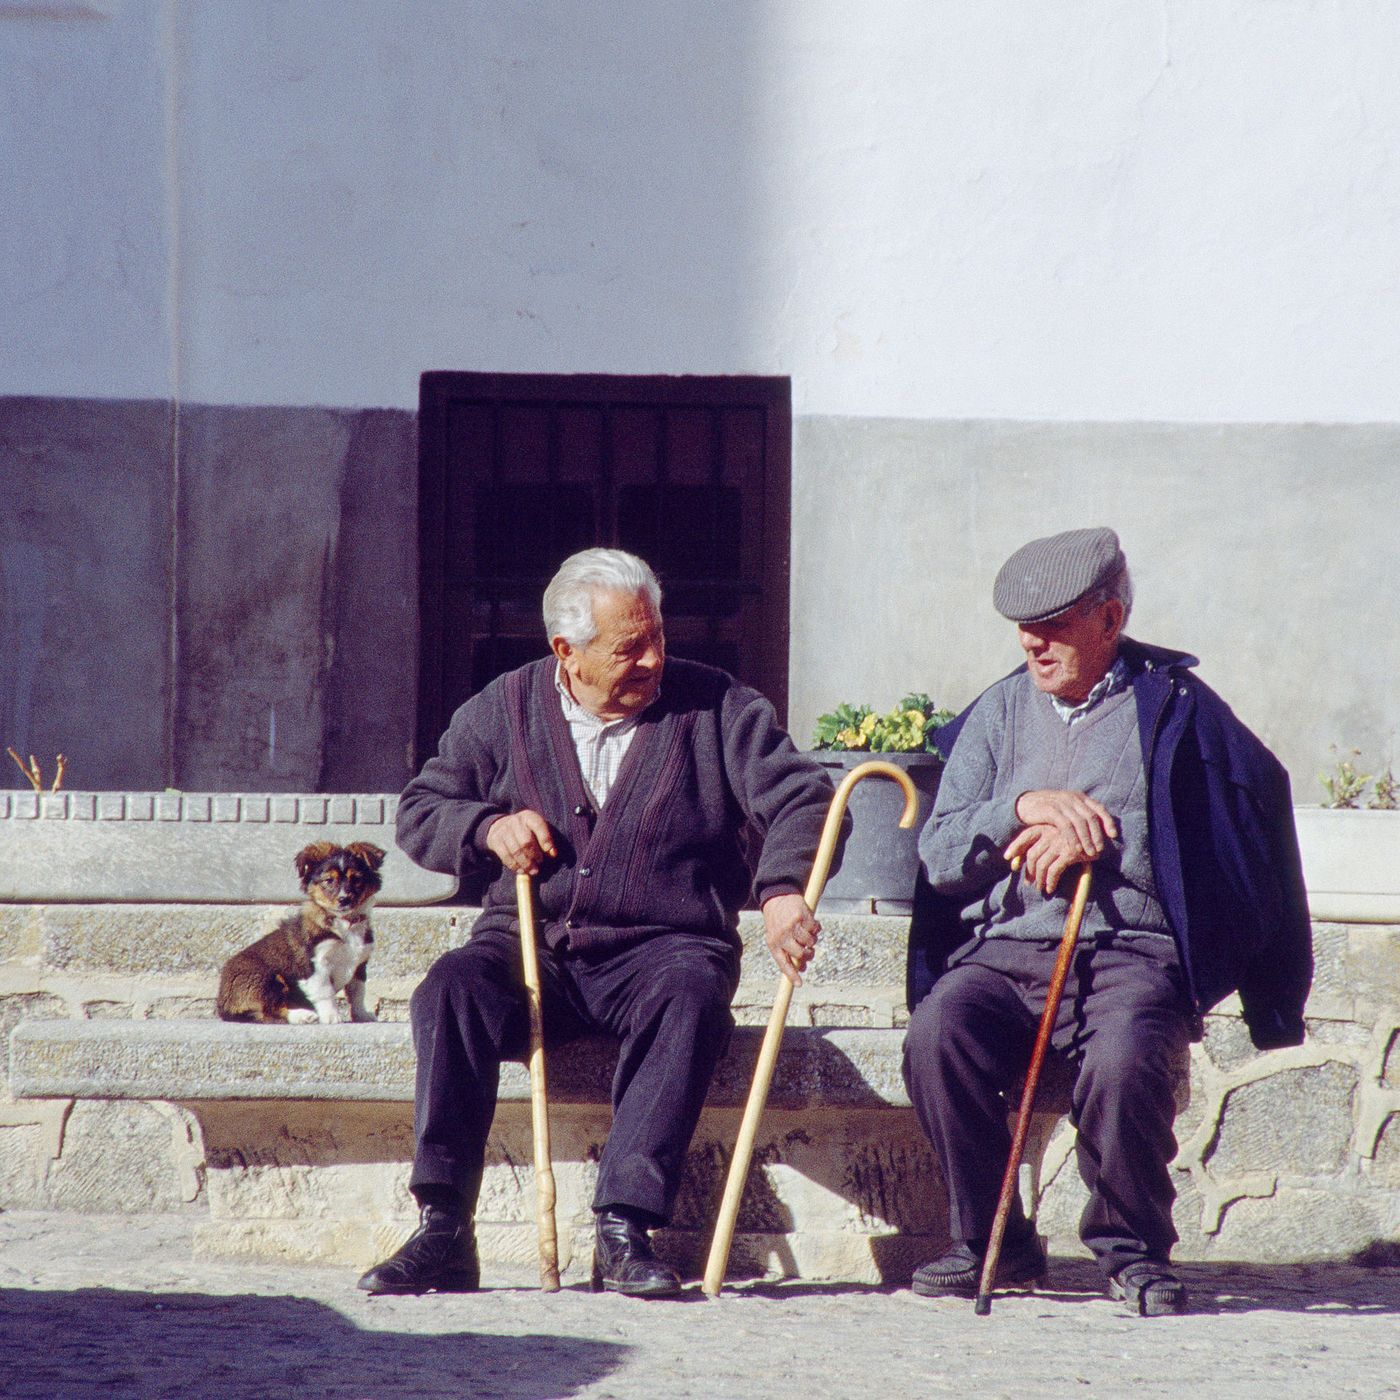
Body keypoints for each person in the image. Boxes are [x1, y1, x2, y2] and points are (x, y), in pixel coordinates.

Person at [359, 547, 834, 1297]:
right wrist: (486, 827)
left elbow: (803, 797)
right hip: (533, 944)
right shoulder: (504, 706)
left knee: (689, 998)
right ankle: (444, 1224)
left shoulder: (717, 706)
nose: (653, 658)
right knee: (450, 989)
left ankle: (624, 1228)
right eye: (629, 647)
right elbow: (421, 809)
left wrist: (780, 891)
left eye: (657, 637)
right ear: (566, 652)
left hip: (666, 946)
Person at [903, 526, 1312, 1316]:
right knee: (937, 1033)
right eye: (1024, 627)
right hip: (1008, 950)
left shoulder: (1175, 711)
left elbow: (1240, 829)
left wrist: (1099, 836)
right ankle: (994, 1238)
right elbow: (941, 852)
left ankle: (1131, 1250)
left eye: (1053, 624)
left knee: (1126, 1057)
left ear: (1110, 619)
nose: (1032, 642)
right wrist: (1021, 810)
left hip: (1132, 951)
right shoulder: (997, 711)